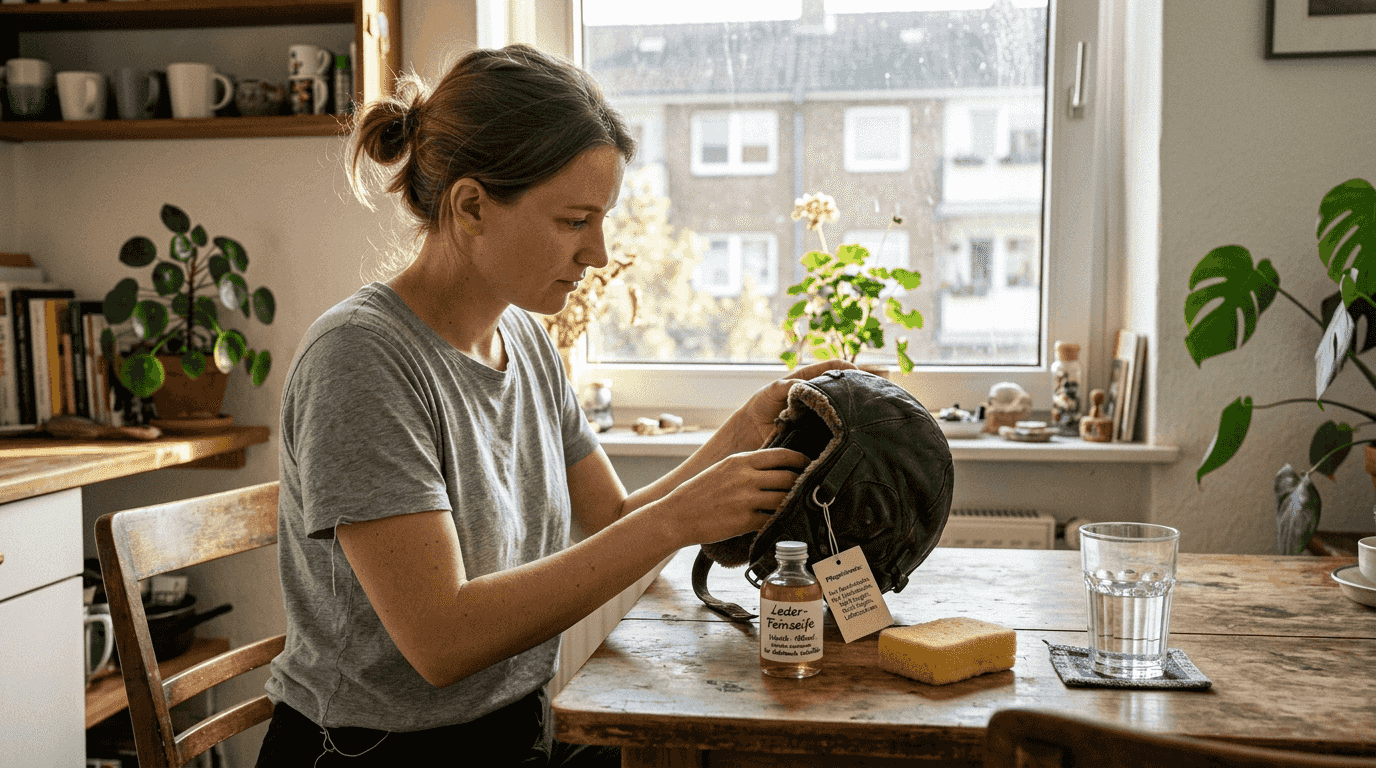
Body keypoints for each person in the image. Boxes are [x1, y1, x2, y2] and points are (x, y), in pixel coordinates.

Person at [255, 44, 851, 766]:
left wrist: (740, 432)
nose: (597, 253)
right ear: (471, 205)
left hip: (513, 730)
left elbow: (611, 524)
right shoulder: (360, 359)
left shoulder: (523, 340)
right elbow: (442, 642)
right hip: (376, 751)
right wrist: (681, 517)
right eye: (575, 221)